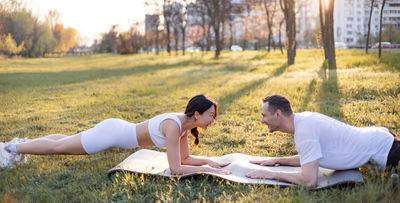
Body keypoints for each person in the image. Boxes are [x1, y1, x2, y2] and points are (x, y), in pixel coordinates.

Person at [0, 94, 230, 175]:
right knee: (59, 148)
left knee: (64, 140)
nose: (213, 120)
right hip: (110, 135)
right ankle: (10, 149)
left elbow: (185, 159)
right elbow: (176, 168)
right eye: (211, 115)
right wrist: (205, 169)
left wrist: (208, 161)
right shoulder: (173, 127)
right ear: (197, 114)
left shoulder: (183, 125)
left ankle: (21, 144)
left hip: (114, 128)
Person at [245, 94, 399, 187]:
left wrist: (270, 174)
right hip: (379, 137)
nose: (262, 121)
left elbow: (308, 181)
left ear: (278, 115)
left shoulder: (304, 132)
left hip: (387, 151)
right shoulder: (304, 120)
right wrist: (279, 161)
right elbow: (311, 157)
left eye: (264, 115)